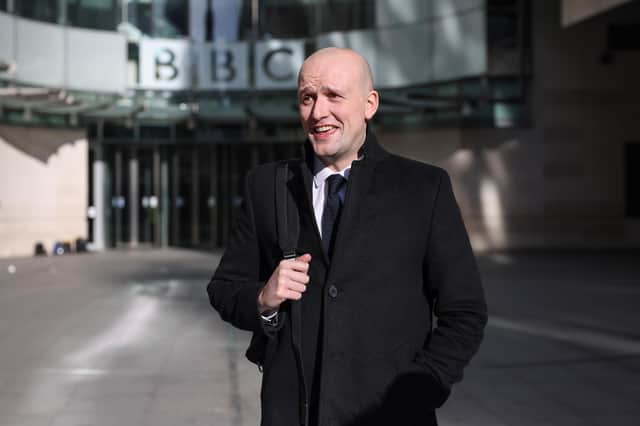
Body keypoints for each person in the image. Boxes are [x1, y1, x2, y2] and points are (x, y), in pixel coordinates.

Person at [207, 47, 487, 426]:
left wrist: (423, 384)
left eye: (333, 96)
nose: (318, 112)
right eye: (307, 98)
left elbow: (465, 311)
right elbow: (224, 288)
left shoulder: (424, 188)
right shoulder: (266, 186)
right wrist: (262, 298)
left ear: (369, 104)